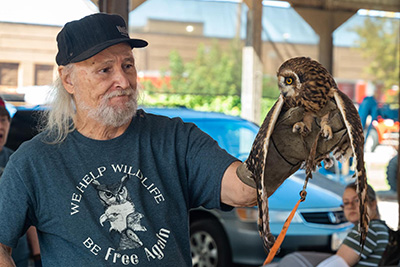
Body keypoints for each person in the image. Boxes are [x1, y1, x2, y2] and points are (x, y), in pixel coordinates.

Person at [0, 13, 256, 266]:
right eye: (105, 69)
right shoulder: (35, 161)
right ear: (69, 80)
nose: (123, 80)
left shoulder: (175, 139)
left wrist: (281, 141)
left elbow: (246, 190)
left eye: (128, 65)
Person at [269, 182, 389, 267]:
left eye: (357, 200)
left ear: (373, 204)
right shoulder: (379, 229)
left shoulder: (367, 230)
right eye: (346, 203)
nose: (350, 206)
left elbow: (337, 264)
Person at [0, 98, 41, 267]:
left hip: (18, 256)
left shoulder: (17, 160)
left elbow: (29, 210)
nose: (0, 126)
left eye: (3, 120)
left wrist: (38, 255)